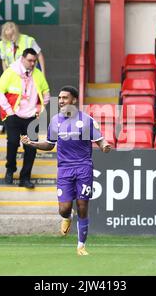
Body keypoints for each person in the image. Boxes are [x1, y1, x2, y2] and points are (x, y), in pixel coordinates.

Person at [20, 86, 111, 256]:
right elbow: (49, 144)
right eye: (60, 98)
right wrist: (32, 143)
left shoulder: (86, 120)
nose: (61, 101)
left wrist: (105, 146)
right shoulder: (55, 121)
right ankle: (67, 217)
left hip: (83, 167)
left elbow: (100, 140)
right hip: (64, 169)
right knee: (64, 209)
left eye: (65, 98)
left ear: (74, 100)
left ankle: (81, 245)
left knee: (83, 205)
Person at [0, 48, 50, 189]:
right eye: (30, 60)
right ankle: (10, 169)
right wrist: (9, 110)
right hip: (13, 115)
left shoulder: (38, 74)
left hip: (31, 117)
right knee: (13, 142)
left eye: (34, 61)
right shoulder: (11, 72)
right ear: (22, 59)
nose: (32, 63)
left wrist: (40, 108)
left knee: (31, 147)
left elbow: (46, 92)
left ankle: (25, 178)